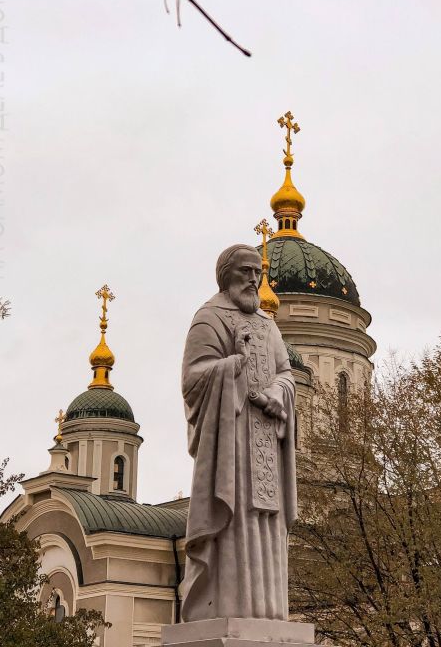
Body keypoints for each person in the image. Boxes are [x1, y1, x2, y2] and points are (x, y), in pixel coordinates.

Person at [180, 244, 297, 622]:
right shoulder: (208, 319)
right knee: (235, 526)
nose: (253, 280)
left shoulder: (268, 324)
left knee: (267, 525)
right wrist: (232, 366)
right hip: (233, 449)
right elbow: (193, 379)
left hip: (267, 443)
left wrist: (280, 393)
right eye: (245, 272)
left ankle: (269, 613)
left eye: (257, 274)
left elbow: (286, 372)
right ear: (225, 275)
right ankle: (229, 607)